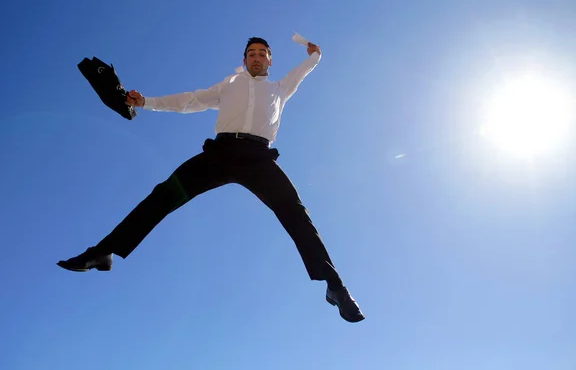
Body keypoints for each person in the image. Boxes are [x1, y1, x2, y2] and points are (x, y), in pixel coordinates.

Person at [57, 37, 365, 323]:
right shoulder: (228, 85)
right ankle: (103, 252)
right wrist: (145, 102)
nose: (256, 58)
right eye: (251, 54)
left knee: (297, 214)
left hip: (260, 158)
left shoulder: (280, 88)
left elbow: (307, 67)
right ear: (244, 60)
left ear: (271, 60)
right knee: (163, 195)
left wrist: (314, 52)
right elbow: (190, 101)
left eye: (262, 54)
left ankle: (333, 285)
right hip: (221, 152)